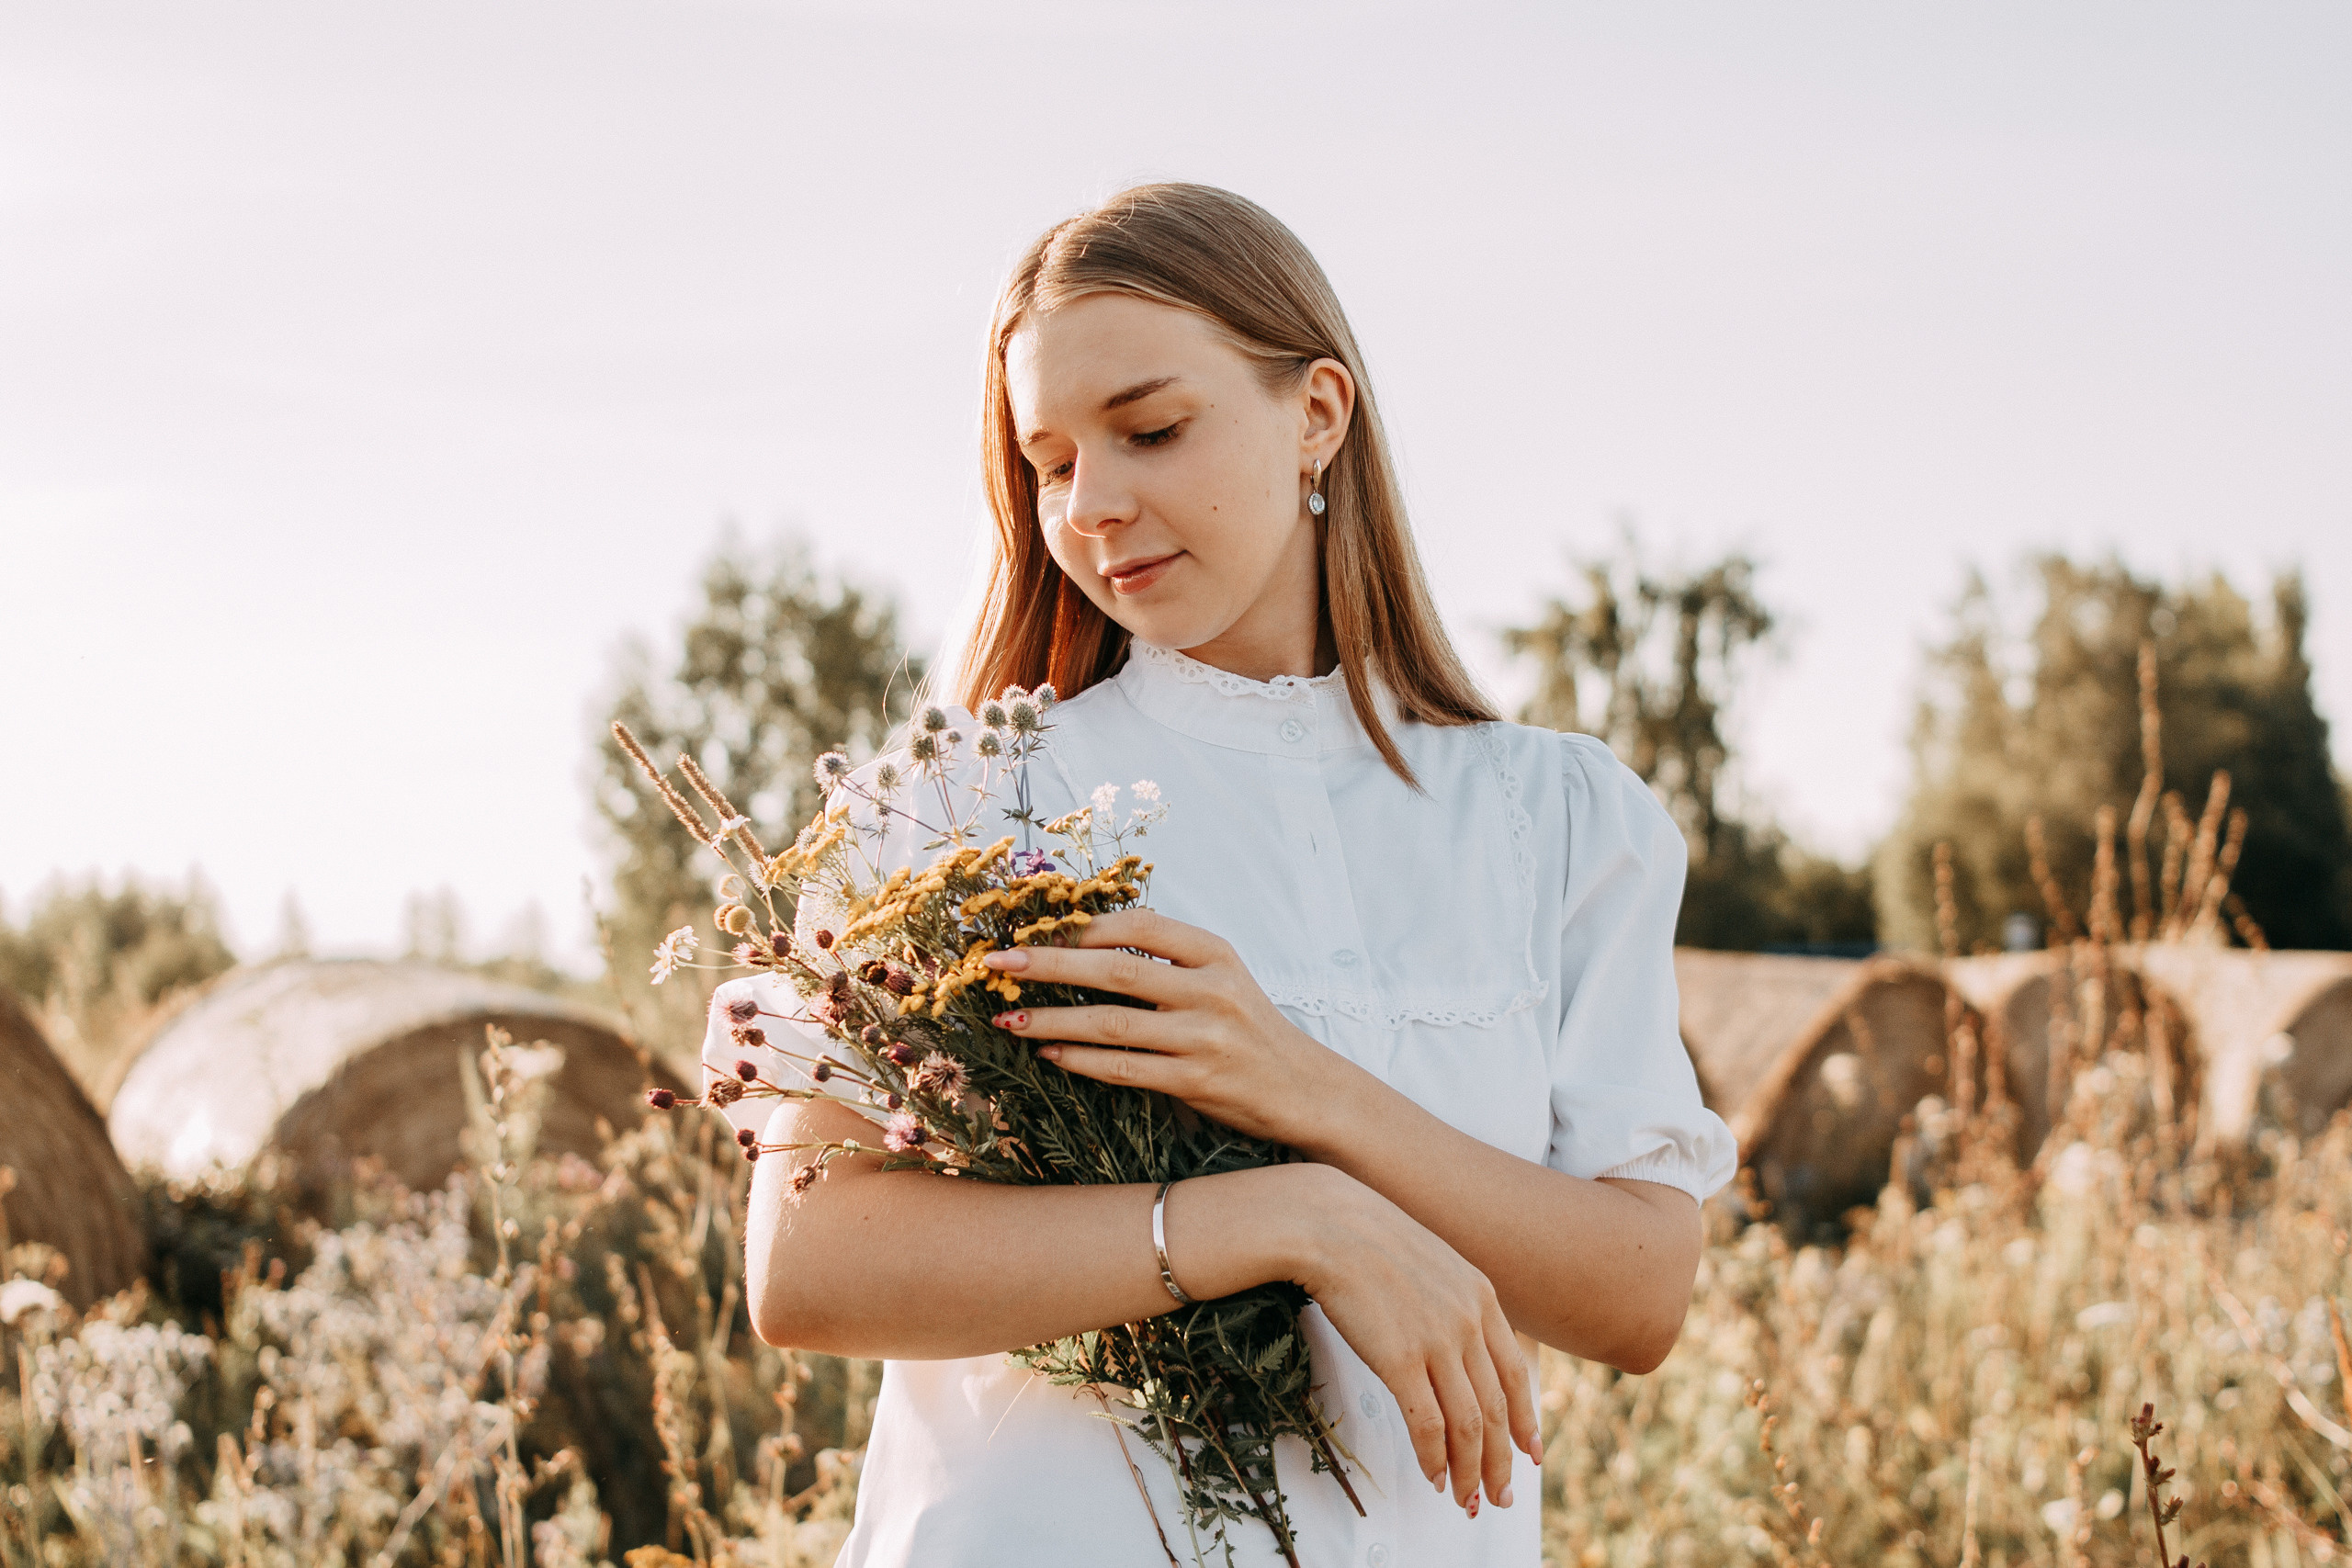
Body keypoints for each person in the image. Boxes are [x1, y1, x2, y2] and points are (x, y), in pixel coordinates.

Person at [703, 182, 1736, 1567]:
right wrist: (1285, 1219)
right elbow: (808, 1269)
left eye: (1151, 430)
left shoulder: (1554, 819)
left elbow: (1638, 1294)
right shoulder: (957, 806)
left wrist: (1304, 1087)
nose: (1093, 505)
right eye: (1050, 462)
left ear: (1318, 413)